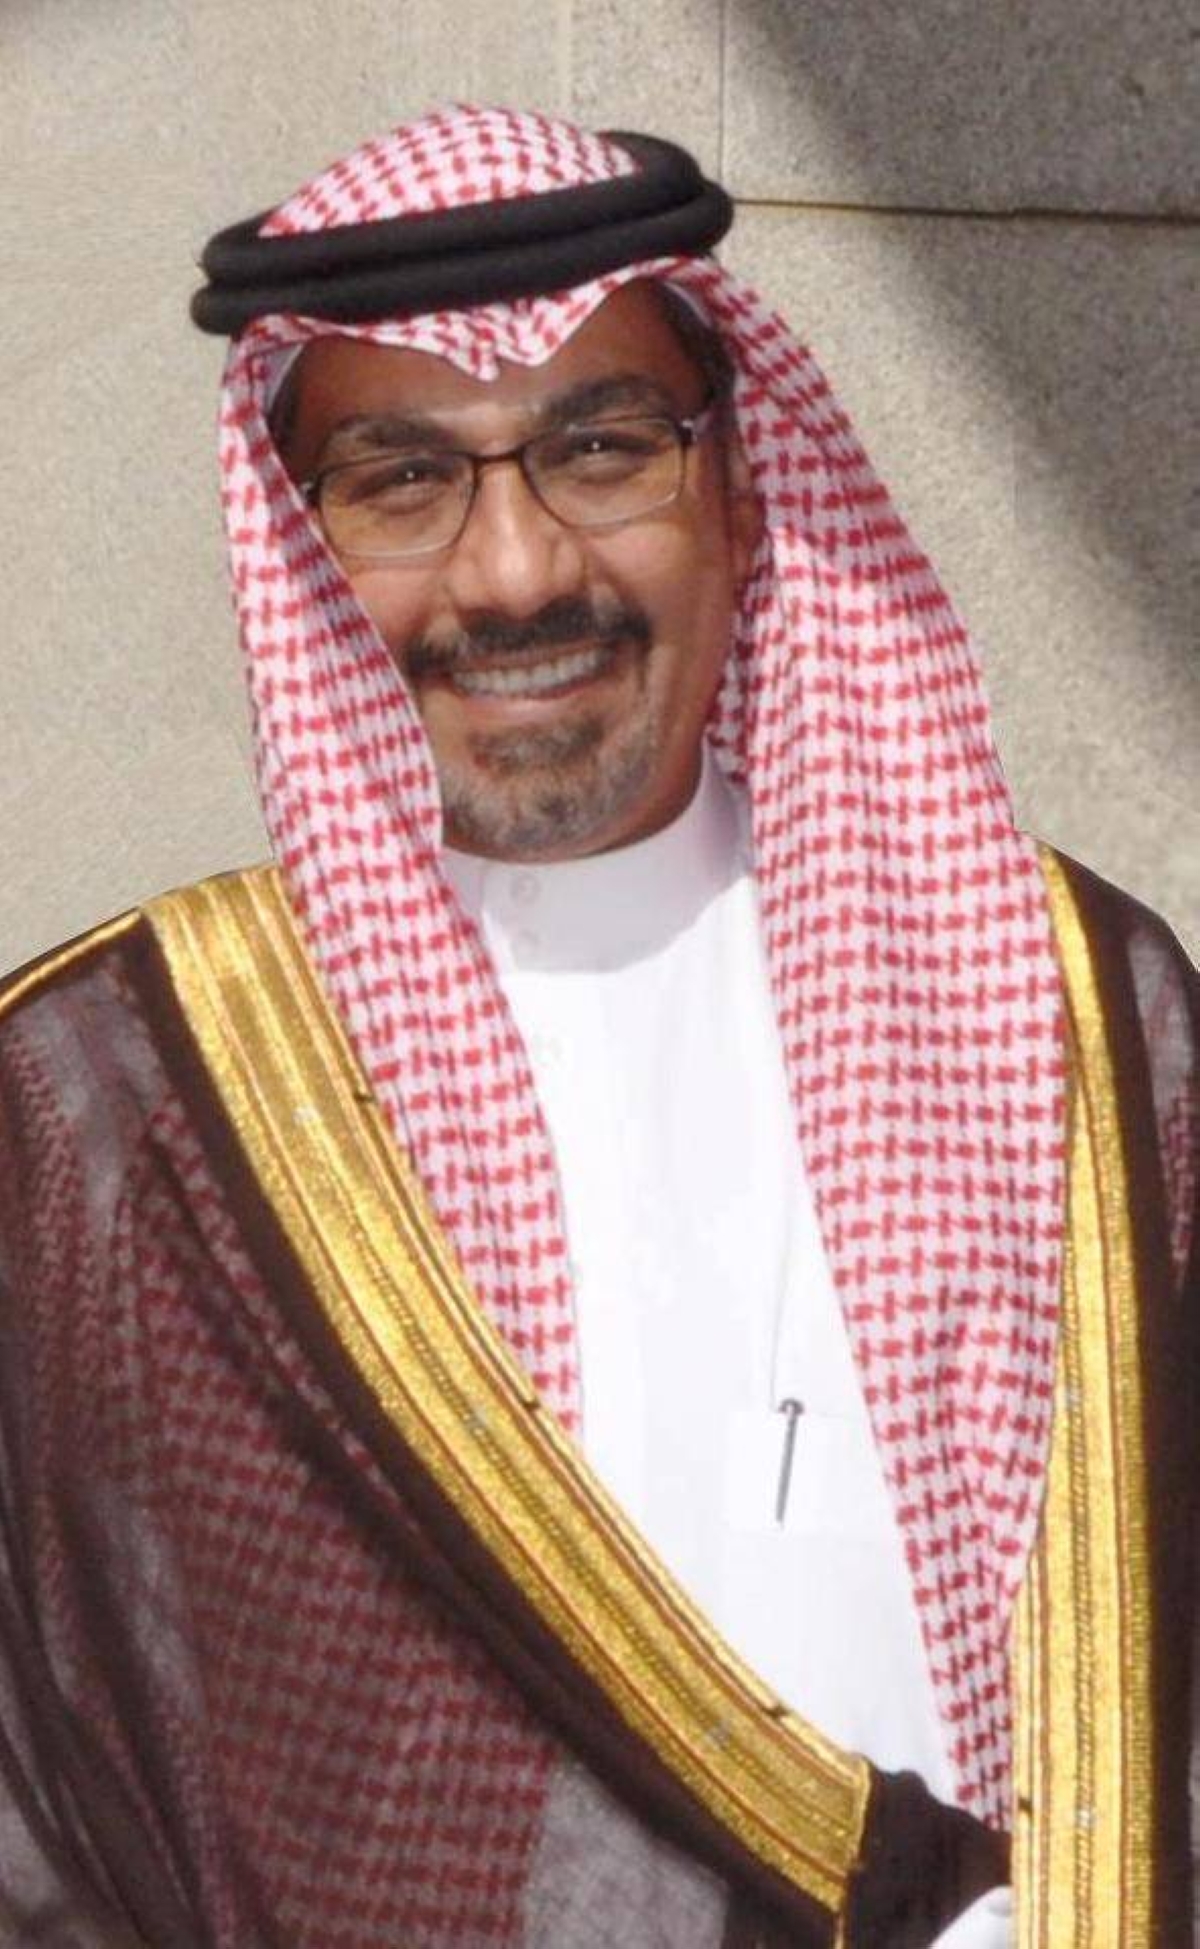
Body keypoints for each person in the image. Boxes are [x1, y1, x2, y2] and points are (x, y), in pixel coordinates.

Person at [0, 105, 1195, 1949]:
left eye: (602, 448)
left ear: (741, 485)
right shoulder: (109, 1105)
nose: (515, 574)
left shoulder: (1076, 1009)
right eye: (402, 481)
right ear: (300, 545)